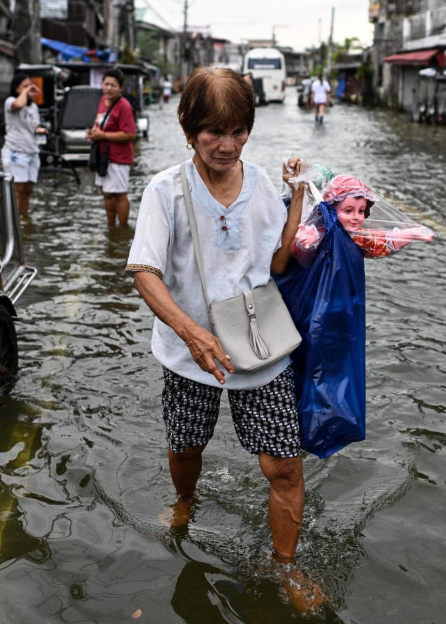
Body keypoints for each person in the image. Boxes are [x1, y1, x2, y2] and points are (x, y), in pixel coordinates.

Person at [124, 66, 321, 610]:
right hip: (190, 353)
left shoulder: (261, 186)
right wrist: (191, 333)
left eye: (238, 132)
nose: (227, 145)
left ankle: (285, 565)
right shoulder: (165, 191)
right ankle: (185, 499)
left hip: (260, 344)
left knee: (284, 465)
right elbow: (144, 271)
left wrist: (297, 200)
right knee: (186, 444)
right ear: (189, 130)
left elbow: (276, 262)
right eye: (214, 132)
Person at [292, 174, 434, 265]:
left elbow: (381, 242)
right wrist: (308, 243)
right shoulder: (321, 233)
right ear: (330, 210)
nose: (356, 217)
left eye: (361, 211)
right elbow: (302, 257)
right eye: (348, 211)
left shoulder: (357, 237)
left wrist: (410, 234)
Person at [86, 68, 137, 228]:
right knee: (106, 193)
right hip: (103, 156)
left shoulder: (124, 106)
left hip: (118, 158)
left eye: (113, 85)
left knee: (119, 194)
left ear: (120, 88)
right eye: (106, 84)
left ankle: (122, 229)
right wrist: (93, 132)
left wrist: (102, 135)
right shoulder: (103, 100)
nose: (108, 88)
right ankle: (111, 226)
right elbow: (100, 123)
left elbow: (130, 134)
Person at [2, 73, 47, 218]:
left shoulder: (33, 106)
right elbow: (18, 105)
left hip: (32, 151)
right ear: (17, 89)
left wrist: (39, 130)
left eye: (30, 86)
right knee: (17, 189)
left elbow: (35, 125)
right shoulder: (10, 101)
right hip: (16, 151)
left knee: (28, 189)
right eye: (25, 86)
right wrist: (27, 91)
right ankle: (12, 220)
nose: (29, 89)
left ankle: (24, 217)